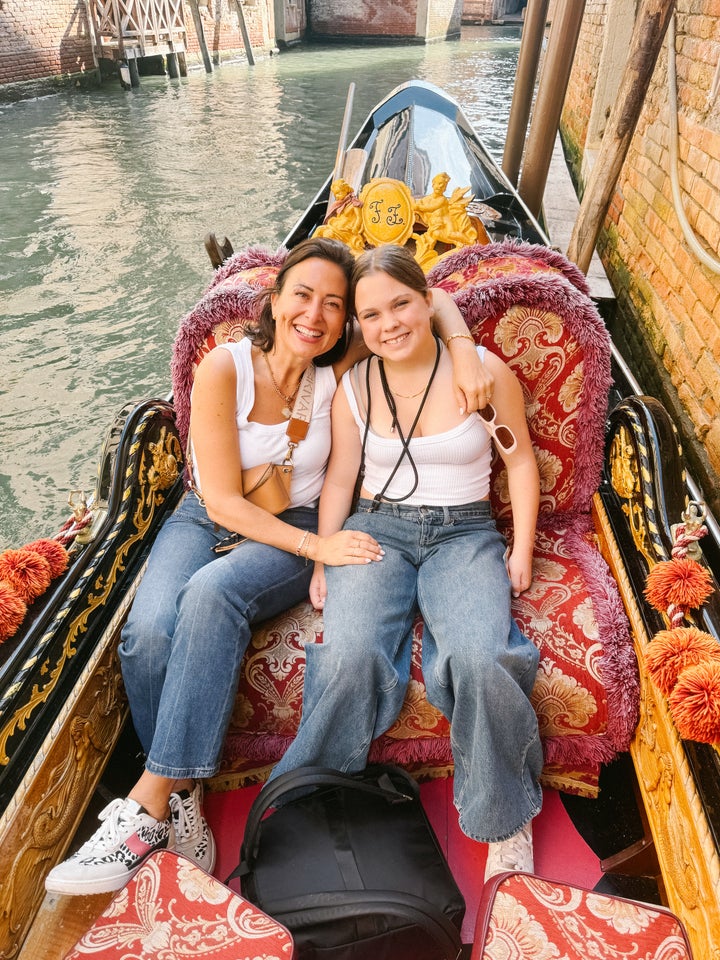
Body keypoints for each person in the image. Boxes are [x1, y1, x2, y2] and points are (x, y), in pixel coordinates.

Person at [45, 236, 493, 896]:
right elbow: (223, 501)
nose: (315, 315)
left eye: (334, 304)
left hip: (294, 524)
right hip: (208, 515)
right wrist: (321, 554)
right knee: (146, 634)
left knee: (212, 593)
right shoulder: (223, 368)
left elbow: (436, 297)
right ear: (275, 299)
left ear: (345, 320)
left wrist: (463, 348)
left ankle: (145, 806)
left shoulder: (344, 362)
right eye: (302, 295)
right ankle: (183, 803)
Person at [270, 244, 543, 881]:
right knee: (349, 653)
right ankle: (309, 798)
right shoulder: (354, 385)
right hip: (377, 528)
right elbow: (341, 479)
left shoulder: (481, 372)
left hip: (464, 535)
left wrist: (522, 548)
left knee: (481, 656)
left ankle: (503, 819)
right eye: (371, 315)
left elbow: (519, 461)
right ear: (358, 325)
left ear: (427, 302)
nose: (389, 324)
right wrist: (324, 557)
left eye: (401, 305)